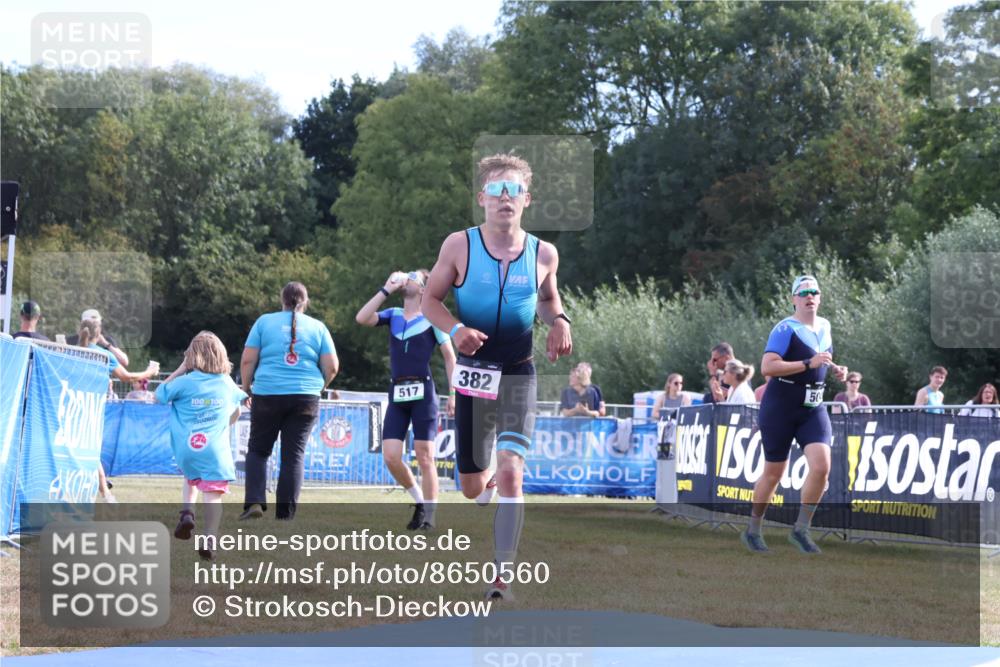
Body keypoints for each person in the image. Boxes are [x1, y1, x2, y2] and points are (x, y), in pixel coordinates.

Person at [423, 153, 572, 601]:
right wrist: (455, 329)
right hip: (473, 374)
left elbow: (548, 299)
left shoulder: (544, 252)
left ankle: (502, 577)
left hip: (518, 372)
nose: (504, 199)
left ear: (527, 199)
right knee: (472, 488)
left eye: (513, 191)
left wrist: (560, 320)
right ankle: (481, 481)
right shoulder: (458, 245)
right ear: (481, 198)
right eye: (496, 190)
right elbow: (431, 300)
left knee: (511, 473)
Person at [741, 275, 847, 554]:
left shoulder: (825, 325)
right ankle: (753, 528)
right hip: (781, 405)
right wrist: (807, 363)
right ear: (794, 299)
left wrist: (835, 369)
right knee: (774, 473)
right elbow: (768, 367)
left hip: (812, 406)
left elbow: (821, 358)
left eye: (814, 292)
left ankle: (801, 529)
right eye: (804, 293)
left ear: (820, 298)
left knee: (822, 467)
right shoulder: (784, 328)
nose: (810, 296)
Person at [355, 269, 456, 530]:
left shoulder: (433, 319)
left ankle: (431, 519)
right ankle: (419, 501)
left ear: (423, 289)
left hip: (424, 393)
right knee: (390, 456)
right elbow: (362, 317)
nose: (407, 278)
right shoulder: (393, 315)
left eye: (413, 276)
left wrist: (454, 393)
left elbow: (449, 357)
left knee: (425, 457)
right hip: (397, 393)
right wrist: (386, 289)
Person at [239, 282, 339, 521]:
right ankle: (285, 515)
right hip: (306, 397)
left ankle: (254, 501)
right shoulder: (318, 327)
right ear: (306, 301)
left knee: (258, 450)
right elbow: (332, 366)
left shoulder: (264, 322)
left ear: (281, 299)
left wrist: (246, 388)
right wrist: (319, 387)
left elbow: (247, 360)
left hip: (267, 393)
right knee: (293, 455)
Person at [156, 332, 246, 560]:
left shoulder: (184, 382)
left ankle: (187, 512)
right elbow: (238, 411)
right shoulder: (227, 384)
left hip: (188, 449)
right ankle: (209, 538)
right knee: (213, 494)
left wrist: (179, 370)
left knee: (191, 477)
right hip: (214, 450)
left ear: (192, 357)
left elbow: (158, 395)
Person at [77, 318, 159, 503]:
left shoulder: (72, 351)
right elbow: (127, 377)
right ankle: (105, 492)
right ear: (99, 335)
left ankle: (104, 491)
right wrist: (149, 372)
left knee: (83, 449)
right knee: (90, 449)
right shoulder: (103, 355)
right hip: (90, 408)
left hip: (69, 405)